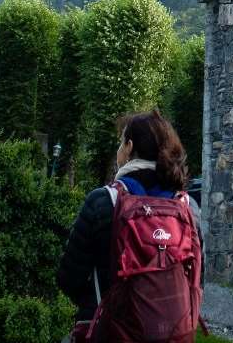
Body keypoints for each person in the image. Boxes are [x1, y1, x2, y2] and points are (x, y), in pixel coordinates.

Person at [57, 110, 203, 343]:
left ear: (129, 147)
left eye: (120, 143)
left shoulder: (104, 201)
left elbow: (68, 278)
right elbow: (196, 279)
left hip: (112, 333)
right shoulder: (187, 207)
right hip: (174, 334)